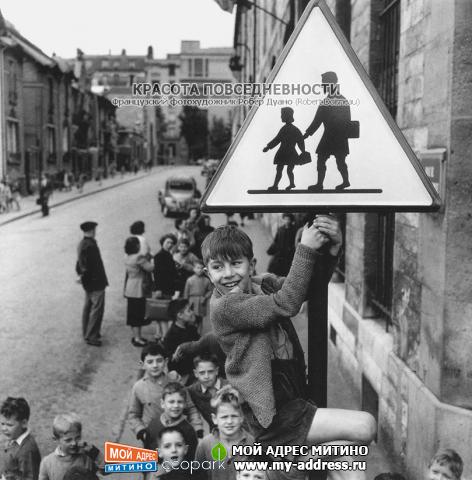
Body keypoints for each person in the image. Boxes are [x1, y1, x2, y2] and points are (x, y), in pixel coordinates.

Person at [201, 222, 376, 480]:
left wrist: (331, 251)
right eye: (218, 267)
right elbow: (287, 303)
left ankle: (299, 465)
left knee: (348, 462)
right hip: (274, 414)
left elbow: (308, 289)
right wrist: (305, 248)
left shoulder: (262, 285)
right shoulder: (225, 307)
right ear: (208, 273)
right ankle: (297, 466)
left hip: (292, 397)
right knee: (365, 426)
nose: (228, 274)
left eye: (236, 264)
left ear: (252, 264)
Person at [127, 343, 203, 445]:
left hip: (179, 436)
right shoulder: (138, 387)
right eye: (150, 362)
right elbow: (133, 415)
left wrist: (197, 429)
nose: (155, 365)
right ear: (142, 365)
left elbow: (190, 407)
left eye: (159, 360)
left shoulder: (175, 380)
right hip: (153, 437)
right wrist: (142, 431)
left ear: (166, 361)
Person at [304, 71, 352, 191]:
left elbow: (317, 121)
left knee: (335, 160)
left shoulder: (330, 101)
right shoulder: (341, 100)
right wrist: (307, 134)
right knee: (328, 159)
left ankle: (342, 182)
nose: (322, 86)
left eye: (324, 83)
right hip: (335, 136)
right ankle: (323, 183)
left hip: (334, 136)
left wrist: (306, 134)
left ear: (330, 83)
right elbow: (317, 121)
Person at [195, 386, 254, 480]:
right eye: (224, 417)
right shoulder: (205, 444)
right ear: (215, 419)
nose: (229, 421)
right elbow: (198, 475)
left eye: (234, 416)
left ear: (242, 418)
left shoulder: (252, 443)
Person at [38, 413, 102, 480]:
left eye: (77, 438)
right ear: (56, 439)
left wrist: (96, 454)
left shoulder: (87, 457)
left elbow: (108, 470)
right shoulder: (47, 463)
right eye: (68, 440)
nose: (74, 443)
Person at [145, 382, 198, 460]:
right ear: (162, 403)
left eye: (180, 402)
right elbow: (147, 452)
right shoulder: (153, 425)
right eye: (171, 402)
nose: (176, 405)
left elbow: (192, 459)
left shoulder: (189, 430)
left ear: (185, 404)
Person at [76, 221, 108, 347]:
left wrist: (82, 277)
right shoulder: (91, 245)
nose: (95, 232)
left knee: (88, 308)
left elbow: (79, 264)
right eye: (94, 229)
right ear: (91, 231)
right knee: (97, 309)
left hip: (88, 282)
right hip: (96, 282)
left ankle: (86, 332)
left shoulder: (82, 244)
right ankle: (92, 336)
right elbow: (91, 266)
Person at [263, 107, 305, 192]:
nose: (281, 117)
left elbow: (277, 139)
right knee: (287, 170)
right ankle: (280, 185)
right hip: (290, 153)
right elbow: (300, 141)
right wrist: (303, 151)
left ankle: (278, 185)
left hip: (284, 152)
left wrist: (268, 147)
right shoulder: (294, 129)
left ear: (286, 116)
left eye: (282, 115)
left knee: (282, 170)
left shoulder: (286, 129)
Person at [0, 397, 41, 480]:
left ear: (24, 423)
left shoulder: (27, 450)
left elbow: (31, 477)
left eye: (9, 425)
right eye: (2, 424)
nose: (4, 428)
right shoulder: (13, 437)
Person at [124, 236, 154, 347]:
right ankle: (138, 338)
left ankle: (136, 336)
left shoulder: (127, 257)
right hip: (138, 288)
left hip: (130, 287)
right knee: (138, 314)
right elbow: (150, 268)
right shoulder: (139, 257)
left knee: (132, 314)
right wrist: (150, 259)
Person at [186, 353, 228, 431]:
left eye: (210, 372)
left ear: (216, 371)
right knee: (214, 443)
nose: (206, 376)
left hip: (238, 429)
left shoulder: (228, 386)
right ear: (196, 373)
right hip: (216, 433)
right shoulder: (192, 390)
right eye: (202, 373)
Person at [163, 299, 200, 378]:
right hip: (180, 374)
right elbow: (167, 355)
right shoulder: (171, 335)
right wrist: (172, 357)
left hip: (194, 369)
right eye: (189, 311)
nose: (192, 312)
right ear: (180, 315)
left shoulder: (192, 329)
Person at [183, 260, 213, 333]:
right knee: (191, 318)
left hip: (201, 301)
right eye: (197, 268)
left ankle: (199, 334)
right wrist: (185, 303)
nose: (199, 270)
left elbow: (210, 290)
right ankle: (191, 334)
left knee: (200, 319)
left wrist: (205, 297)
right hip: (192, 301)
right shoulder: (190, 280)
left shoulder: (206, 280)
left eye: (201, 268)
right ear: (194, 269)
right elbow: (186, 293)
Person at [154, 234, 179, 298]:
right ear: (163, 242)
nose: (170, 245)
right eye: (168, 242)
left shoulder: (169, 255)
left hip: (170, 286)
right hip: (163, 287)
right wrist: (158, 289)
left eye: (172, 243)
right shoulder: (159, 256)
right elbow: (157, 273)